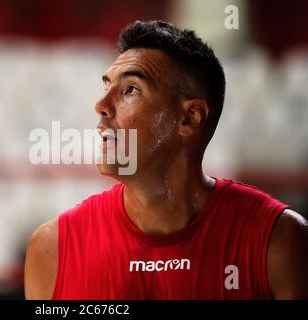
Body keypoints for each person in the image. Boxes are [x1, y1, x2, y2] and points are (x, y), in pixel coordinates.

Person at [24, 20, 308, 299]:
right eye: (106, 87)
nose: (101, 106)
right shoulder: (51, 250)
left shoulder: (280, 243)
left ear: (189, 118)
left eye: (130, 90)